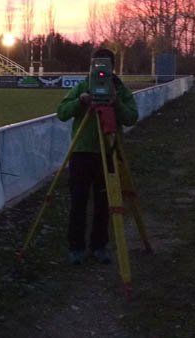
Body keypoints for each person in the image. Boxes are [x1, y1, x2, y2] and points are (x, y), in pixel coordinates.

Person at [56, 48, 138, 265]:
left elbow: (131, 118)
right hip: (82, 153)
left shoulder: (119, 90)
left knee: (105, 203)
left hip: (108, 152)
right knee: (78, 203)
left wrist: (115, 103)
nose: (99, 70)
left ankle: (99, 245)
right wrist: (80, 102)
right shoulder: (83, 87)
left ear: (111, 67)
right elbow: (62, 112)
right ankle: (76, 247)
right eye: (95, 65)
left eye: (103, 65)